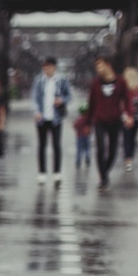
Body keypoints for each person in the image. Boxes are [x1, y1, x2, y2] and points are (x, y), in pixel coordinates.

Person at [88, 56, 135, 189]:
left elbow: (127, 100)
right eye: (97, 66)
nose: (98, 69)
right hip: (99, 121)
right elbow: (91, 103)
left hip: (115, 120)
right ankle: (103, 179)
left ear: (108, 65)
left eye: (100, 65)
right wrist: (87, 123)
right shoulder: (95, 83)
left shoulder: (120, 82)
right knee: (101, 148)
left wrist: (130, 115)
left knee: (113, 151)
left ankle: (104, 171)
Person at [31, 56, 71, 184]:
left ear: (54, 67)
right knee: (42, 145)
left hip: (56, 119)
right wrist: (37, 112)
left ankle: (57, 172)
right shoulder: (39, 81)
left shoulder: (61, 80)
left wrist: (62, 100)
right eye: (44, 67)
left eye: (47, 66)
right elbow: (35, 98)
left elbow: (69, 95)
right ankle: (42, 172)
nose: (45, 69)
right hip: (42, 118)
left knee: (56, 145)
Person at [74, 103, 92, 169]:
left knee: (79, 150)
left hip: (79, 136)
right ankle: (87, 158)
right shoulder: (87, 119)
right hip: (86, 136)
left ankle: (78, 161)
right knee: (87, 148)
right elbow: (90, 126)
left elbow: (75, 126)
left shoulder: (79, 119)